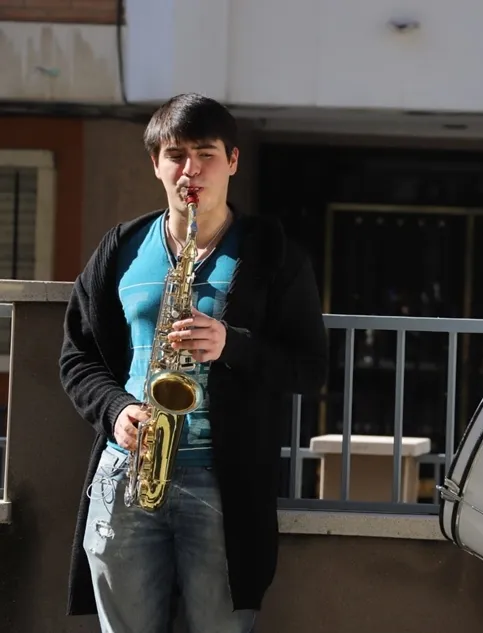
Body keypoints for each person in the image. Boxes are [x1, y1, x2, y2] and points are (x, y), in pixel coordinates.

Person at [59, 93, 328, 632]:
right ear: (155, 164)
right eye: (176, 154)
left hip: (222, 488)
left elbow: (310, 368)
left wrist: (234, 344)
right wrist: (115, 410)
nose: (191, 169)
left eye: (205, 153)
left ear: (232, 161)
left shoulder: (271, 252)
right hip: (127, 475)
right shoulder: (122, 248)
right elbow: (77, 357)